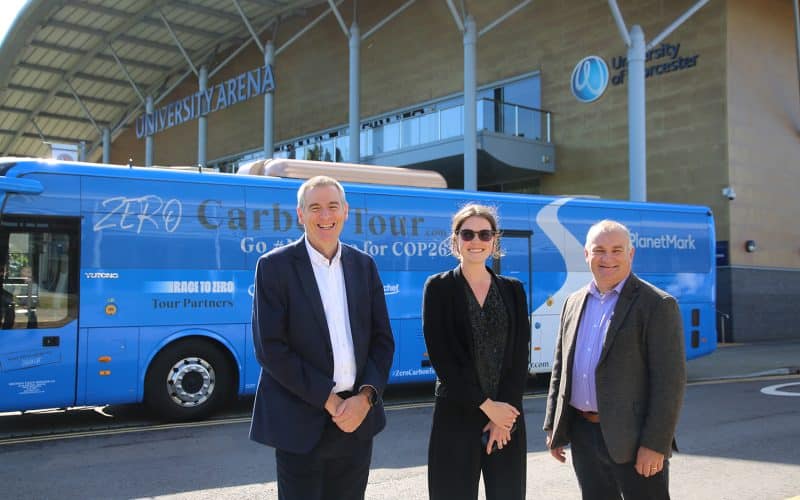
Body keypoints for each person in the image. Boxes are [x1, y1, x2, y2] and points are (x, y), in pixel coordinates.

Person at [249, 175, 395, 500]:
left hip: (357, 420)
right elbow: (270, 348)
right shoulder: (273, 267)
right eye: (315, 207)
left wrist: (365, 398)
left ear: (345, 211)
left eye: (332, 206)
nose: (325, 216)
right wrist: (330, 400)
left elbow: (382, 341)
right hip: (300, 422)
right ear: (300, 214)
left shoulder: (364, 265)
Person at [543, 219, 687, 500]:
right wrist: (554, 426)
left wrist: (655, 445)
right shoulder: (573, 302)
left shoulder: (657, 304)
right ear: (586, 254)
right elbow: (561, 369)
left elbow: (669, 383)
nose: (607, 258)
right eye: (599, 250)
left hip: (635, 440)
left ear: (630, 254)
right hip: (583, 435)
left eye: (616, 250)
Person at [423, 204, 529, 500]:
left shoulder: (513, 289)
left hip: (505, 419)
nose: (476, 241)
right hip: (456, 417)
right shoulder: (438, 288)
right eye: (467, 234)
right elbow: (442, 359)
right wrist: (487, 406)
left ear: (494, 240)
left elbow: (520, 356)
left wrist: (502, 416)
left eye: (485, 234)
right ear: (455, 240)